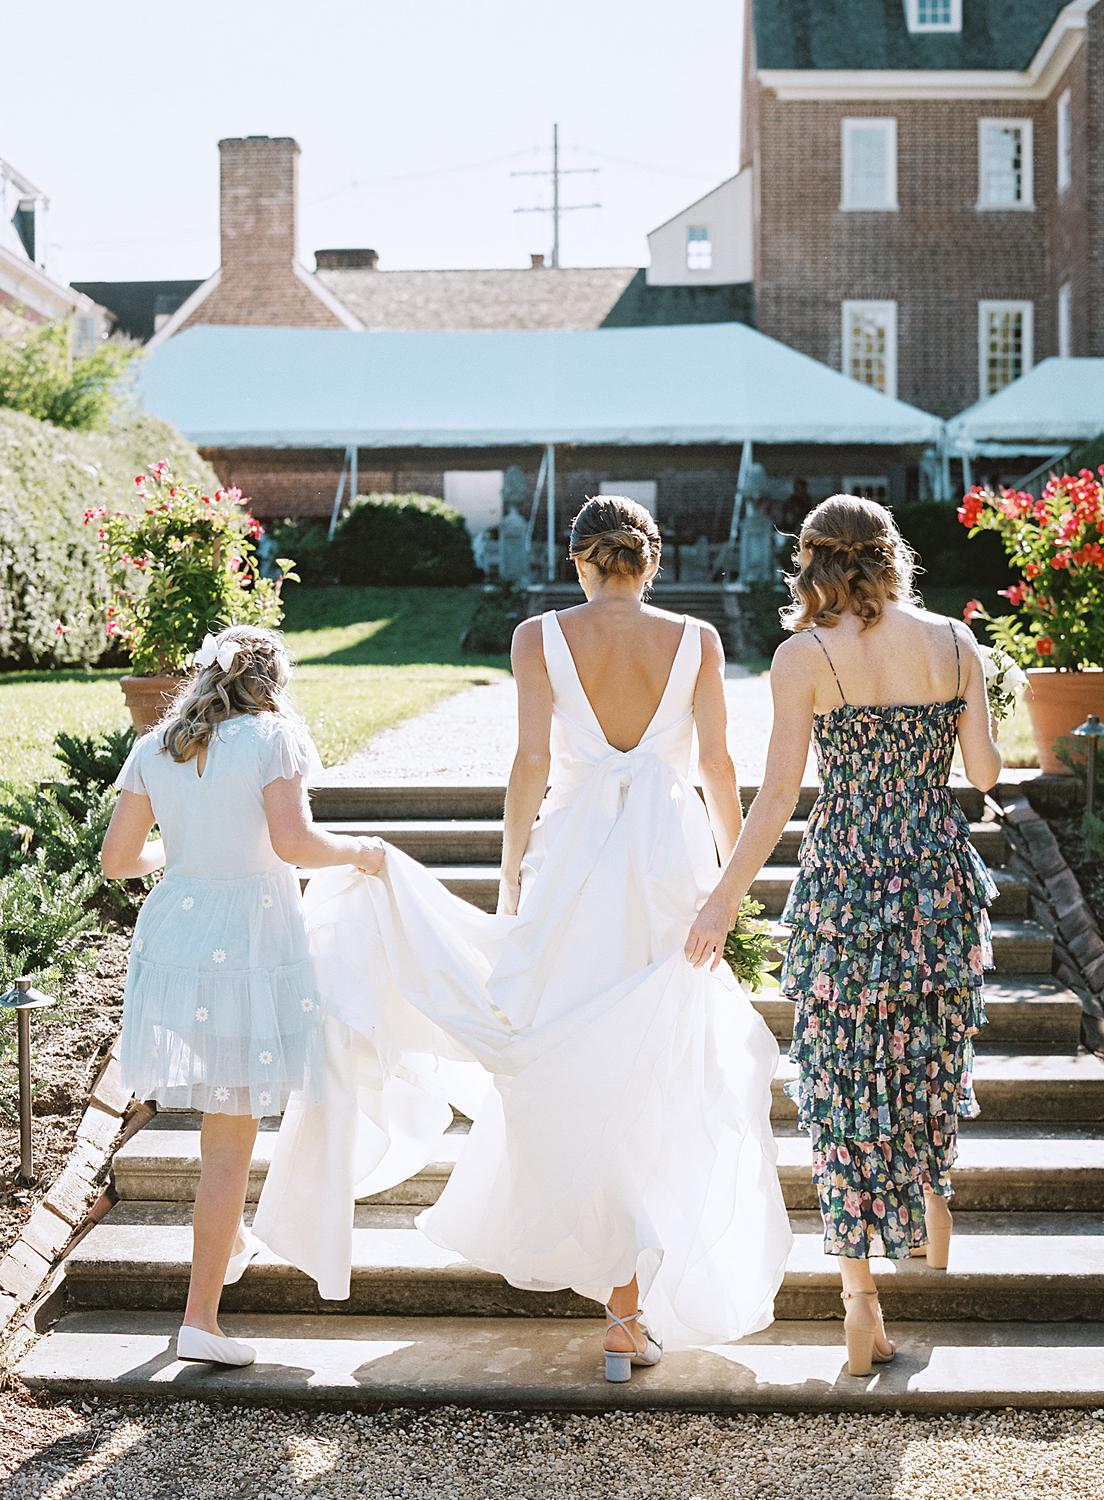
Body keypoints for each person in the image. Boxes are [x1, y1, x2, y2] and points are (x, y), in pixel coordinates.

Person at [255, 495, 791, 1382]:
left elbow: (532, 765)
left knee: (569, 1051)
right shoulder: (695, 639)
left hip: (577, 863)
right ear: (650, 563)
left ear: (580, 560)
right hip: (670, 866)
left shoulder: (538, 635)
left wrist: (510, 876)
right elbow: (716, 766)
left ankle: (621, 1294)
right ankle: (630, 1305)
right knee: (660, 1065)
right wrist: (729, 885)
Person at [685, 494, 1002, 1377]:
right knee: (929, 1052)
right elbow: (983, 775)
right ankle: (932, 1197)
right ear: (894, 554)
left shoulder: (805, 655)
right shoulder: (952, 641)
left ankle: (860, 1296)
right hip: (935, 880)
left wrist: (721, 902)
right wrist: (975, 691)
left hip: (847, 886)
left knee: (844, 1074)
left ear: (813, 562)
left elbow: (780, 797)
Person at [101, 625, 383, 1368]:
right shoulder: (273, 738)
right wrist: (362, 852)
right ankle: (200, 1319)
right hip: (250, 946)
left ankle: (227, 1246)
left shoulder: (157, 746)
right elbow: (294, 844)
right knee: (228, 1142)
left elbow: (118, 860)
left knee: (223, 1131)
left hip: (177, 944)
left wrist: (185, 855)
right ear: (272, 683)